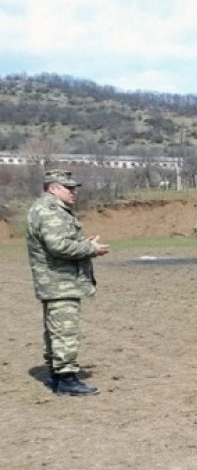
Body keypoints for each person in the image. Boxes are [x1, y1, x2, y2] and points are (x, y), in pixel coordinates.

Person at [26, 169, 110, 396]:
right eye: (68, 188)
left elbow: (59, 242)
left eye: (74, 188)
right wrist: (90, 249)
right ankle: (66, 379)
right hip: (59, 282)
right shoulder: (50, 211)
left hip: (56, 281)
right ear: (53, 188)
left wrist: (82, 243)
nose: (74, 192)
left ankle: (58, 375)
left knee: (56, 329)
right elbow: (58, 247)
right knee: (65, 330)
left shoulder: (48, 209)